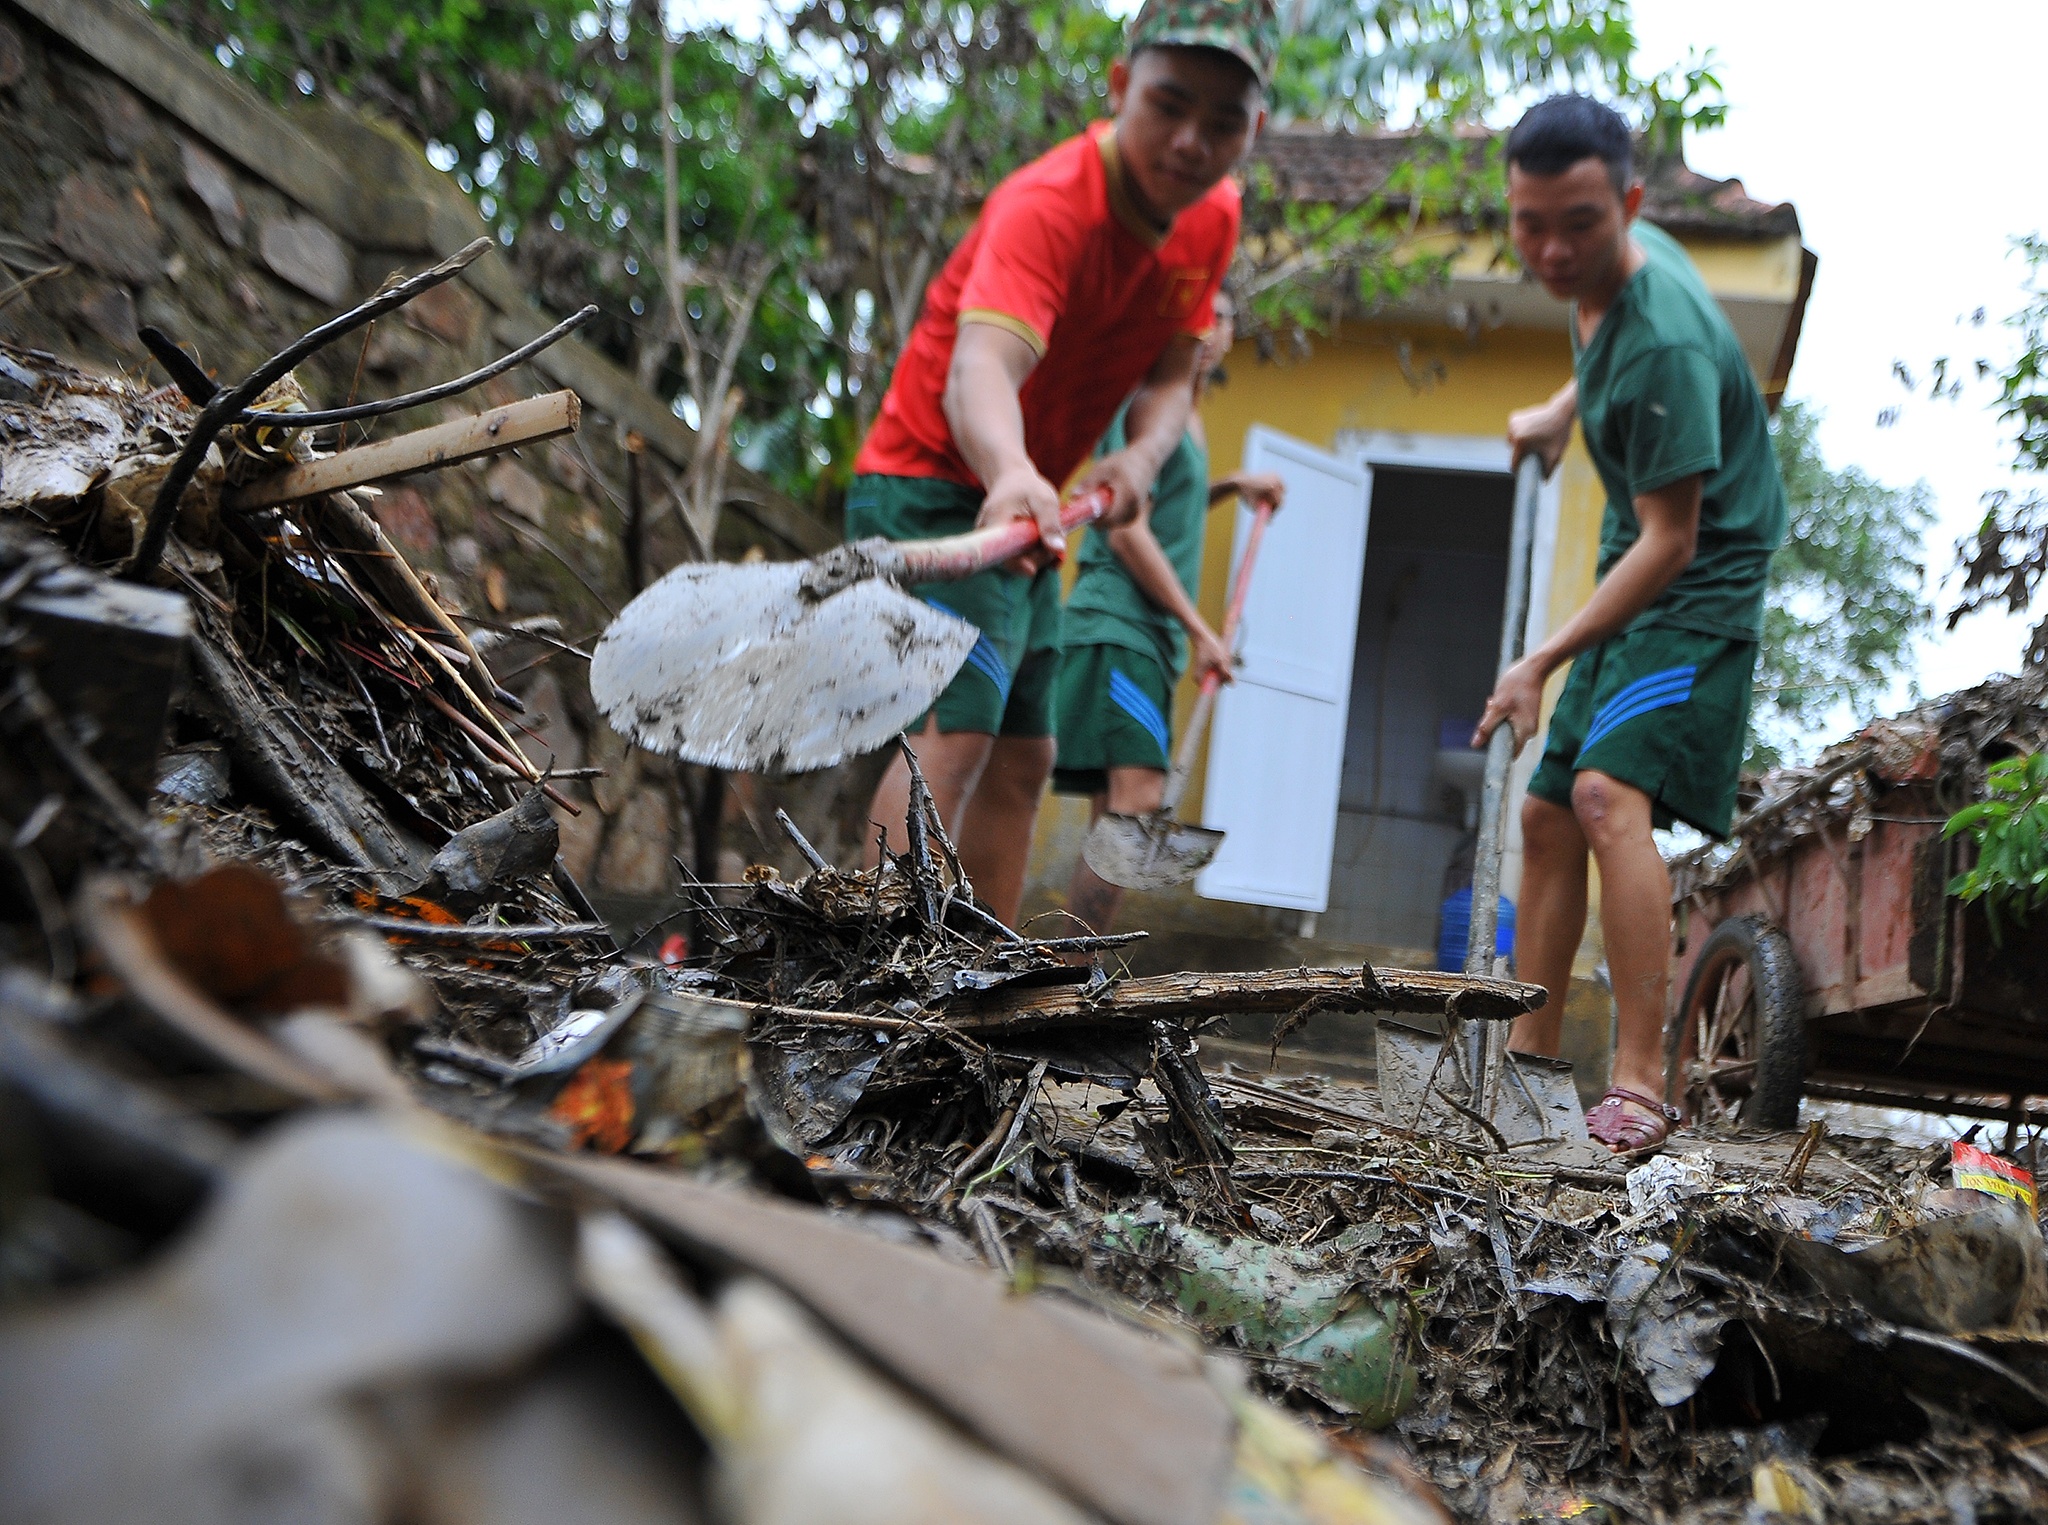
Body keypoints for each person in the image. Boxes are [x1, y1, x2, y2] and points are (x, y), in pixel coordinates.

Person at [845, 0, 1278, 928]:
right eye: (1168, 105)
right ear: (1120, 89)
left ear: (1257, 131)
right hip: (930, 480)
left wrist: (1142, 454)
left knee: (1026, 754)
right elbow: (980, 370)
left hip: (1031, 504)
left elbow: (1172, 377)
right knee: (953, 733)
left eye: (1224, 122)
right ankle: (872, 969)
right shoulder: (1051, 206)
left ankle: (987, 980)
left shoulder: (1213, 219)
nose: (1192, 142)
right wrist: (1007, 466)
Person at [1471, 95, 1788, 1156]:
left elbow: (1672, 540)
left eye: (1577, 225)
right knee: (1545, 815)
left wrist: (1537, 659)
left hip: (1695, 578)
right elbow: (1601, 337)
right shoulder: (1606, 265)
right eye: (1529, 224)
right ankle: (1524, 1071)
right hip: (1636, 557)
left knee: (1606, 797)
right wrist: (1562, 409)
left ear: (1630, 205)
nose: (1551, 250)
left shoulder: (1665, 346)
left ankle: (1642, 1083)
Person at [1054, 291, 1284, 934]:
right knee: (1138, 804)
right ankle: (1073, 985)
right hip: (1119, 626)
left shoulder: (1187, 409)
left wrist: (1230, 485)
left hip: (1144, 635)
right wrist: (1202, 631)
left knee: (1114, 816)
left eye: (1220, 317)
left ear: (1232, 333)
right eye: (1196, 317)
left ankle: (1071, 989)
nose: (1207, 330)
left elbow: (1162, 511)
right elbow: (1126, 532)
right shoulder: (1143, 400)